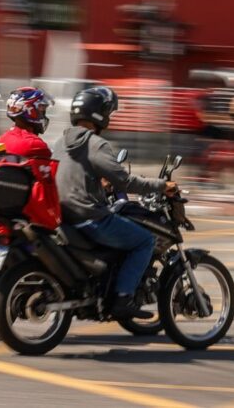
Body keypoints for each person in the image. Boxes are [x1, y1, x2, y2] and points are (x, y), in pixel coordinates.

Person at [52, 86, 178, 319]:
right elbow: (125, 182)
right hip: (89, 219)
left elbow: (74, 177)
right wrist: (162, 185)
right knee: (144, 241)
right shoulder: (96, 144)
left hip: (63, 218)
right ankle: (122, 298)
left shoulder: (60, 143)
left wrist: (99, 185)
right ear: (100, 115)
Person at [0, 86, 53, 159]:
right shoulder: (35, 144)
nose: (43, 114)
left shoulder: (3, 138)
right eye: (41, 108)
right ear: (29, 109)